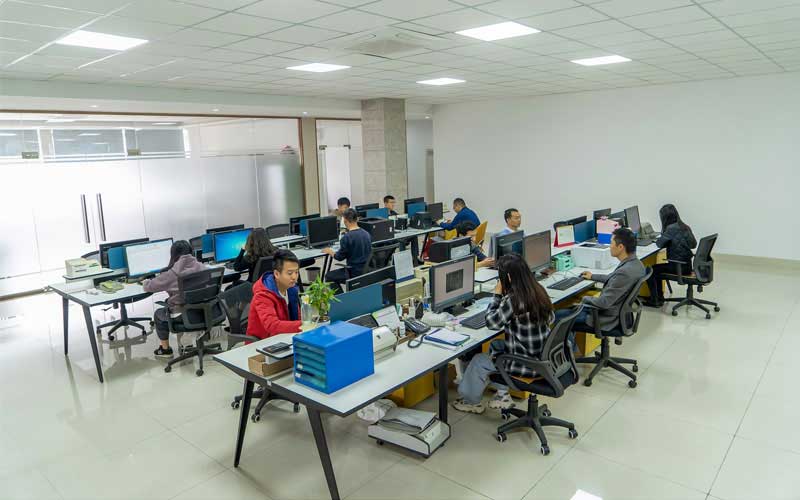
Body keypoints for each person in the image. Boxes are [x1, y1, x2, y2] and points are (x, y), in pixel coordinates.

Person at [452, 253, 554, 414]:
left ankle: (470, 402)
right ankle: (502, 396)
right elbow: (552, 317)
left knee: (479, 360)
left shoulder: (514, 299)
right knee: (496, 345)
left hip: (526, 366)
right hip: (542, 359)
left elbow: (492, 323)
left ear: (508, 277)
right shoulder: (538, 290)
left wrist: (497, 294)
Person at [555, 228, 646, 345]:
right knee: (569, 310)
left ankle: (569, 353)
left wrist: (583, 299)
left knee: (558, 316)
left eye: (611, 243)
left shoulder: (624, 272)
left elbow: (604, 303)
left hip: (606, 318)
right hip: (618, 313)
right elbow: (613, 278)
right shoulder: (636, 264)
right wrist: (592, 276)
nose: (609, 246)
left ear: (620, 247)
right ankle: (571, 349)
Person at [143, 240, 207, 357]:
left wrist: (145, 281)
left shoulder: (172, 273)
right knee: (178, 306)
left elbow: (149, 287)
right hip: (204, 312)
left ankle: (165, 350)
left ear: (173, 255)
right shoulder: (203, 267)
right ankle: (187, 344)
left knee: (159, 314)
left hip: (184, 315)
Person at [645, 204, 697, 307]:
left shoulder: (670, 229)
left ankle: (656, 300)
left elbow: (659, 244)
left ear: (664, 218)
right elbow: (693, 245)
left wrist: (662, 238)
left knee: (651, 270)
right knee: (657, 269)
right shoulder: (685, 227)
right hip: (687, 266)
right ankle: (659, 298)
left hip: (677, 267)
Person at [247, 249, 302, 339]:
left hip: (285, 337)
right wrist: (304, 325)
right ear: (276, 274)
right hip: (263, 342)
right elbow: (272, 326)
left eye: (296, 272)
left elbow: (297, 316)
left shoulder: (291, 289)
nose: (294, 277)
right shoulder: (263, 295)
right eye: (289, 273)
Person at [323, 208, 372, 289]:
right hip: (367, 270)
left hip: (353, 272)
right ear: (357, 219)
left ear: (345, 221)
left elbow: (339, 257)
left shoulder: (347, 237)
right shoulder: (366, 234)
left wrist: (330, 251)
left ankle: (341, 297)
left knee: (329, 276)